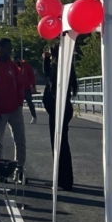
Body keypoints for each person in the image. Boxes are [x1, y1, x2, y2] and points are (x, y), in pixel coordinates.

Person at [0, 38, 27, 171]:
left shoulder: (12, 66)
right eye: (8, 48)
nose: (10, 51)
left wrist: (19, 102)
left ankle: (19, 168)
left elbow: (20, 84)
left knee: (20, 141)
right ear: (0, 49)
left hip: (14, 110)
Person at [41, 43, 77, 190]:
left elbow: (52, 83)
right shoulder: (64, 66)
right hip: (60, 109)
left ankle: (65, 180)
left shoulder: (59, 68)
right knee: (61, 144)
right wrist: (46, 60)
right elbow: (47, 71)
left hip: (58, 110)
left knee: (59, 145)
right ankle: (63, 178)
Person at [20, 57, 38, 123]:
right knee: (19, 105)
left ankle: (34, 116)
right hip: (20, 89)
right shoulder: (16, 67)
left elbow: (32, 76)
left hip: (26, 88)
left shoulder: (27, 66)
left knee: (29, 103)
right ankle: (19, 118)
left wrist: (33, 86)